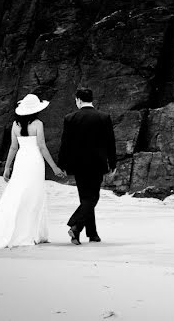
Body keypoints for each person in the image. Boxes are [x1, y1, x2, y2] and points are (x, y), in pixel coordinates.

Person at [0, 94, 66, 250]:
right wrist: (54, 167)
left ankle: (19, 230)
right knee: (34, 193)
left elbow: (13, 147)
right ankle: (33, 233)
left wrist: (7, 167)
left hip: (21, 160)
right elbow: (41, 146)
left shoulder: (15, 124)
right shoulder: (38, 124)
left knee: (18, 191)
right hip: (34, 160)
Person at [58, 87, 116, 245]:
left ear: (78, 100)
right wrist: (113, 163)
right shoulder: (104, 117)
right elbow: (110, 143)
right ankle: (76, 226)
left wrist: (61, 164)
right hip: (97, 164)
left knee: (85, 198)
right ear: (92, 99)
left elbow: (65, 144)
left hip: (78, 164)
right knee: (92, 197)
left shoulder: (70, 118)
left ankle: (91, 233)